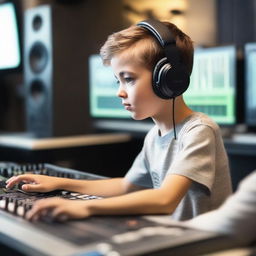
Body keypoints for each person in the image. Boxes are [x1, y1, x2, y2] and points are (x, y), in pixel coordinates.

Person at [6, 19, 232, 222]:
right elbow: (125, 186)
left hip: (205, 243)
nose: (120, 92)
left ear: (169, 80)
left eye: (129, 80)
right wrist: (60, 183)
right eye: (118, 82)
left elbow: (165, 200)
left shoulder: (199, 131)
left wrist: (88, 208)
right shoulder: (155, 135)